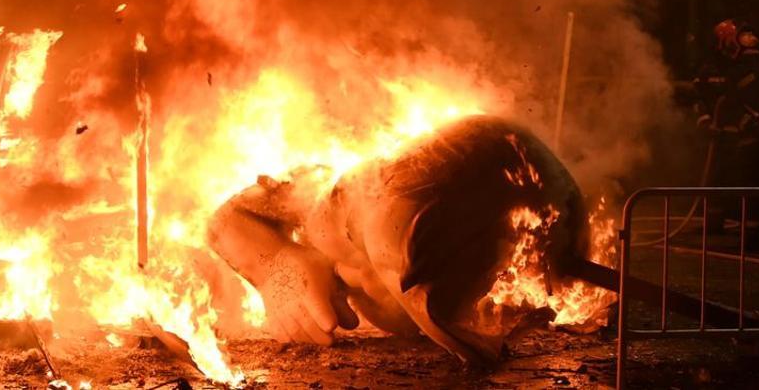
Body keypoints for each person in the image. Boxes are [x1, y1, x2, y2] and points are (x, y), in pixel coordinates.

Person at [207, 115, 588, 364]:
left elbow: (465, 337)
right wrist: (273, 264)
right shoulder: (340, 199)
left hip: (448, 230)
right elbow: (225, 219)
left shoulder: (395, 226)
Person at [693, 19, 759, 247]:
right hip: (734, 137)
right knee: (728, 181)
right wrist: (708, 123)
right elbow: (708, 100)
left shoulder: (743, 70)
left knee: (756, 185)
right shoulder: (718, 69)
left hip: (752, 139)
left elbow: (733, 104)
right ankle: (724, 227)